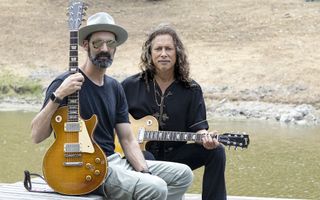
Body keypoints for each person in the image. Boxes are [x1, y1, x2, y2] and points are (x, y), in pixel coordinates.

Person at [30, 12, 193, 200]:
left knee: (183, 175)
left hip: (113, 161)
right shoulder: (64, 83)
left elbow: (127, 139)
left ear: (116, 47)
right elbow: (36, 136)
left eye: (110, 43)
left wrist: (144, 172)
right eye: (98, 43)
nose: (105, 48)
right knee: (156, 188)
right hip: (87, 167)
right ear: (85, 45)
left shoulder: (115, 87)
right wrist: (58, 95)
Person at [122, 24, 227, 200]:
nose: (163, 53)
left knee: (217, 152)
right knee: (145, 157)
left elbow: (198, 127)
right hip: (141, 156)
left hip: (176, 157)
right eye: (158, 49)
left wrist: (206, 138)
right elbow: (111, 119)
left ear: (177, 53)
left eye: (168, 48)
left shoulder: (191, 89)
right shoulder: (129, 86)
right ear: (150, 53)